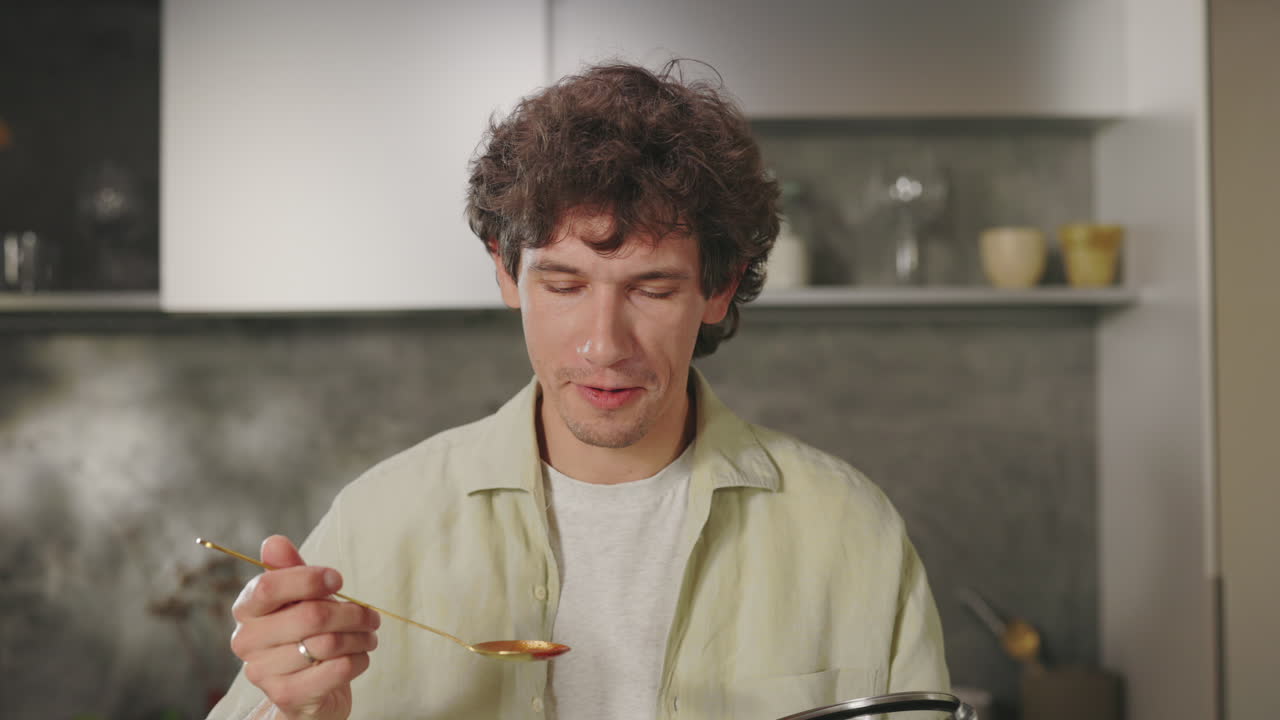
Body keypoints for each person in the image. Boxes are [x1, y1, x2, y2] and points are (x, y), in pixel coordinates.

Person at [207, 61, 948, 720]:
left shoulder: (850, 533)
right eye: (562, 285)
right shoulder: (378, 522)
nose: (604, 345)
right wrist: (297, 714)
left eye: (652, 288)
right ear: (506, 273)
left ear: (718, 289)